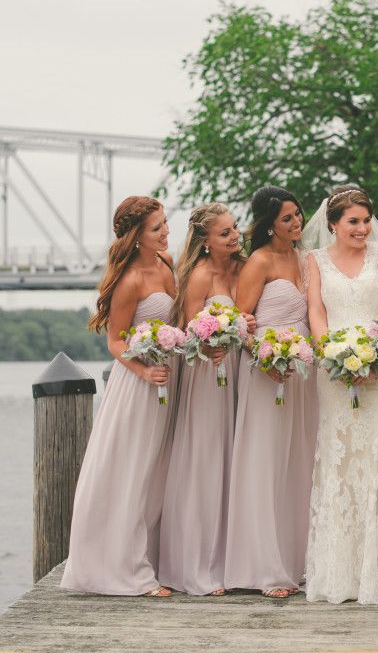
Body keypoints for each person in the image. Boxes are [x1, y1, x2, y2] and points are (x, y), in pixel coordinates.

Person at [303, 185, 378, 604]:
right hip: (334, 372)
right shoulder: (314, 259)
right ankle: (339, 572)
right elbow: (316, 314)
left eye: (365, 220)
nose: (362, 228)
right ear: (332, 225)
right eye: (352, 221)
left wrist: (375, 353)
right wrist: (334, 356)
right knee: (340, 459)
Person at [61, 196, 177, 597]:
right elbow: (114, 341)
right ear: (136, 236)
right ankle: (128, 571)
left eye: (165, 223)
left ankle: (155, 557)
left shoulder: (165, 264)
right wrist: (144, 370)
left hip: (170, 379)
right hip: (139, 386)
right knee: (134, 471)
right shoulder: (129, 280)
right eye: (157, 228)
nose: (166, 232)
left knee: (160, 473)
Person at [225, 186, 318, 599]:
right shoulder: (259, 261)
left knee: (300, 459)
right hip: (267, 371)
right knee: (265, 460)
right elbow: (241, 324)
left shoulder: (304, 258)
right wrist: (267, 357)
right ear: (268, 225)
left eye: (298, 215)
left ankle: (298, 561)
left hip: (303, 370)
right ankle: (264, 567)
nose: (296, 223)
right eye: (287, 218)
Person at [159, 203, 250, 596]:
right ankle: (198, 565)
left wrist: (245, 330)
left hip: (243, 372)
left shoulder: (244, 267)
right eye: (225, 233)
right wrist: (210, 342)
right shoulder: (198, 276)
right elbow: (184, 332)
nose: (235, 237)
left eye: (235, 229)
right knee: (207, 459)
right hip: (207, 375)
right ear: (205, 241)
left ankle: (235, 560)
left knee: (237, 461)